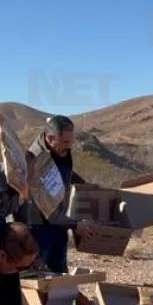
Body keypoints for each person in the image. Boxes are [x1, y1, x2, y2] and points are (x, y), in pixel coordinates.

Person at [17, 115, 95, 274]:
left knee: (60, 275)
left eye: (71, 141)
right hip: (38, 227)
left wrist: (86, 185)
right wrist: (74, 225)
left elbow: (63, 173)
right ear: (50, 138)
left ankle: (60, 299)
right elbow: (47, 208)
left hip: (58, 224)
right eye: (66, 142)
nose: (69, 146)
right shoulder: (34, 161)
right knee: (38, 276)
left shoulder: (60, 150)